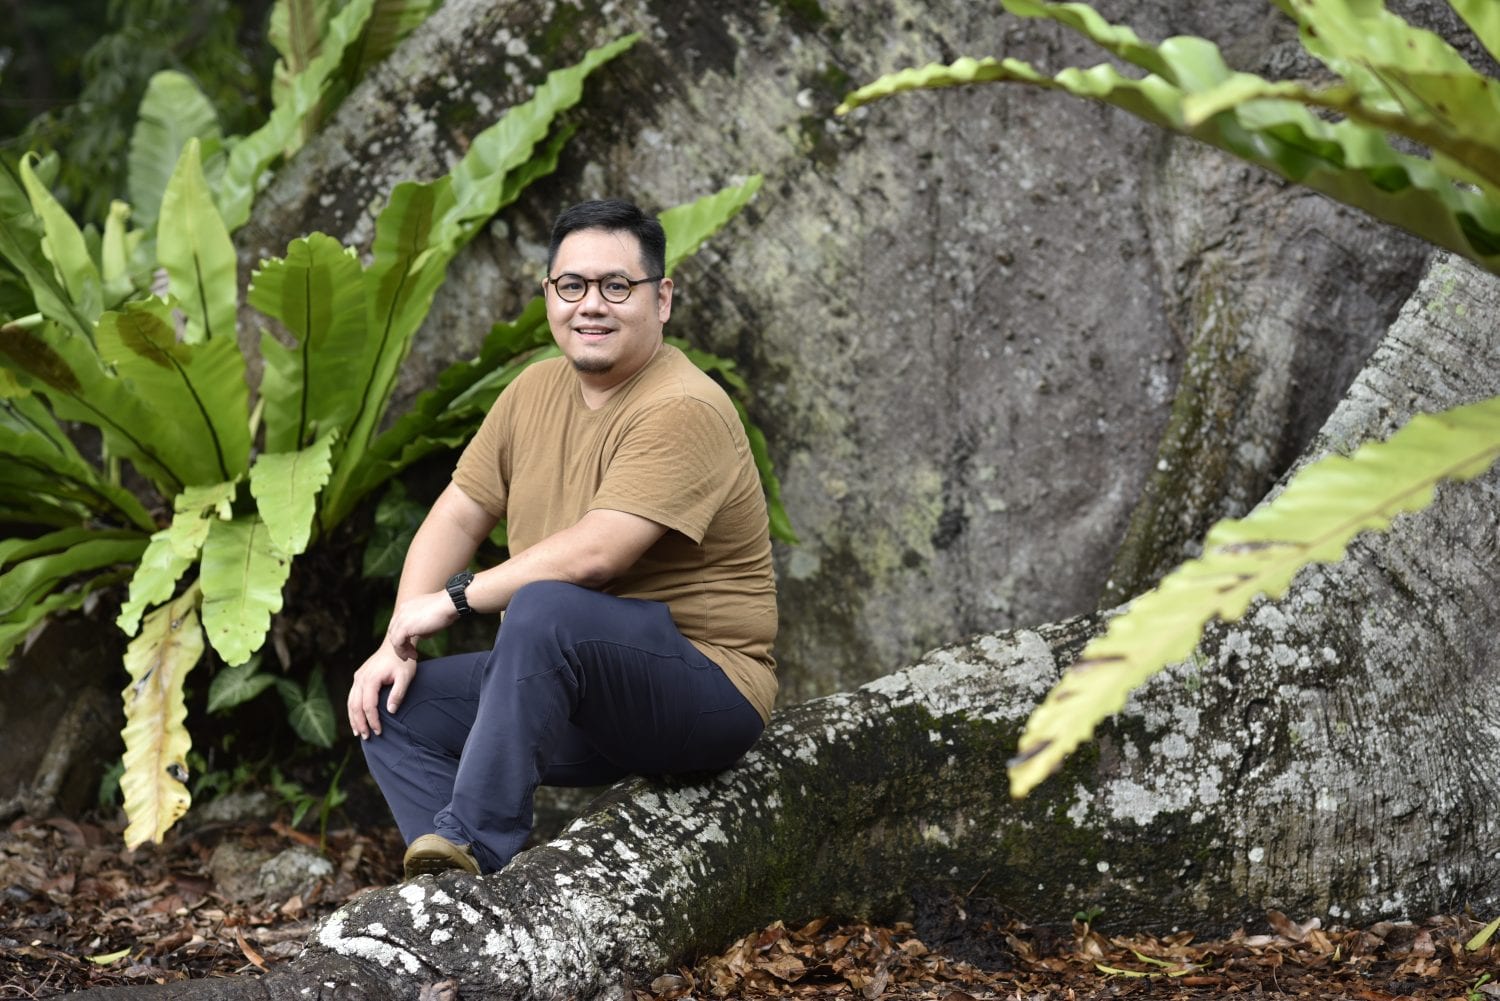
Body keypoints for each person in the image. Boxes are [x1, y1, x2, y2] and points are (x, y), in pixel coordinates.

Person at [346, 198, 778, 878]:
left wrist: (453, 599)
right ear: (549, 295)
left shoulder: (683, 405)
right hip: (575, 693)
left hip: (703, 689)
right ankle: (471, 902)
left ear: (661, 299)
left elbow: (598, 553)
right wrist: (396, 640)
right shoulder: (533, 390)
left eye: (617, 286)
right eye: (571, 286)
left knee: (548, 605)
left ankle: (477, 841)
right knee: (390, 710)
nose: (591, 305)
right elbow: (460, 511)